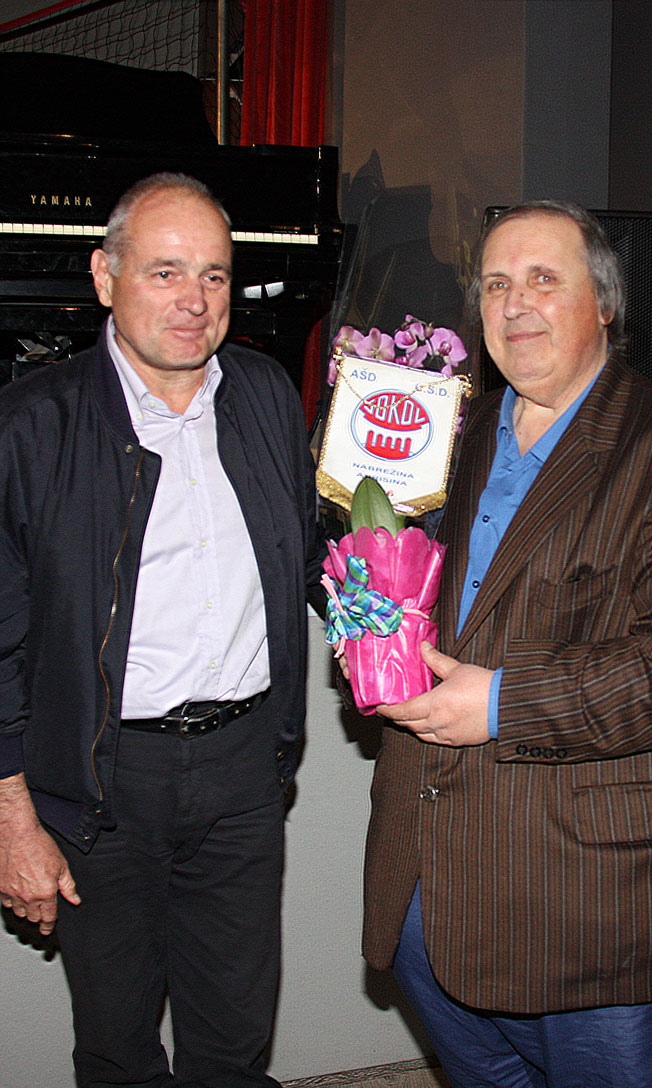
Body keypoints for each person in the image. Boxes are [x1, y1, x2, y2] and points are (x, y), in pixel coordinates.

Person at [361, 201, 652, 1087]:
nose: (515, 303)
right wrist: (366, 632)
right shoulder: (447, 431)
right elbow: (398, 586)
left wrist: (498, 702)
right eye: (495, 284)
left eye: (543, 279)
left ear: (605, 303)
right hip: (427, 890)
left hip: (601, 919)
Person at [0, 172, 323, 1088]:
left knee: (234, 1043)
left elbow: (308, 557)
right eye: (166, 271)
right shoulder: (30, 427)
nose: (194, 301)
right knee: (117, 1047)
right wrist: (12, 819)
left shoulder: (264, 393)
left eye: (215, 276)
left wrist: (396, 592)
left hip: (244, 771)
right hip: (105, 780)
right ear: (105, 277)